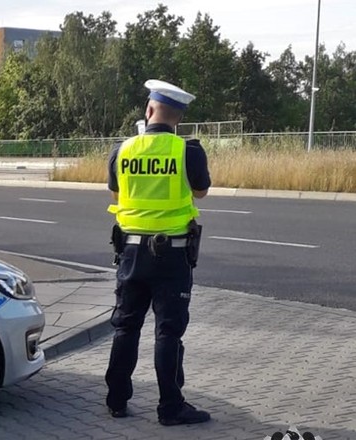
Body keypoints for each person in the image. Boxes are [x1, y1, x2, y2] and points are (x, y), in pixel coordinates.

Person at [104, 79, 212, 426]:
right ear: (178, 118)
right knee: (168, 332)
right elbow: (201, 192)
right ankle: (170, 407)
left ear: (149, 111)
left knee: (125, 328)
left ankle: (116, 400)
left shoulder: (122, 150)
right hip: (173, 256)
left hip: (131, 254)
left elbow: (115, 193)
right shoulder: (188, 151)